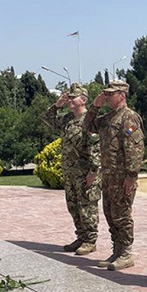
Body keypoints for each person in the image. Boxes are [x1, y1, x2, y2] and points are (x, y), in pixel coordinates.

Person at [83, 79, 145, 270]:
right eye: (106, 94)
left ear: (122, 95)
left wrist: (131, 176)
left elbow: (135, 148)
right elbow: (88, 126)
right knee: (110, 213)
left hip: (122, 177)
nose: (107, 97)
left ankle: (126, 253)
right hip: (108, 176)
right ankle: (117, 250)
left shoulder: (129, 117)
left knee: (122, 215)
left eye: (111, 94)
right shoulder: (109, 118)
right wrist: (94, 106)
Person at [43, 83, 101, 256]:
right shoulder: (68, 119)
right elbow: (48, 119)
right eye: (68, 97)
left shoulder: (89, 121)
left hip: (86, 173)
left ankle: (90, 240)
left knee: (87, 207)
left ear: (83, 100)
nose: (69, 100)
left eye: (72, 97)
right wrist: (56, 105)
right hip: (71, 173)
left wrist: (94, 171)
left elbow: (96, 147)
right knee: (73, 206)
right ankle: (81, 237)